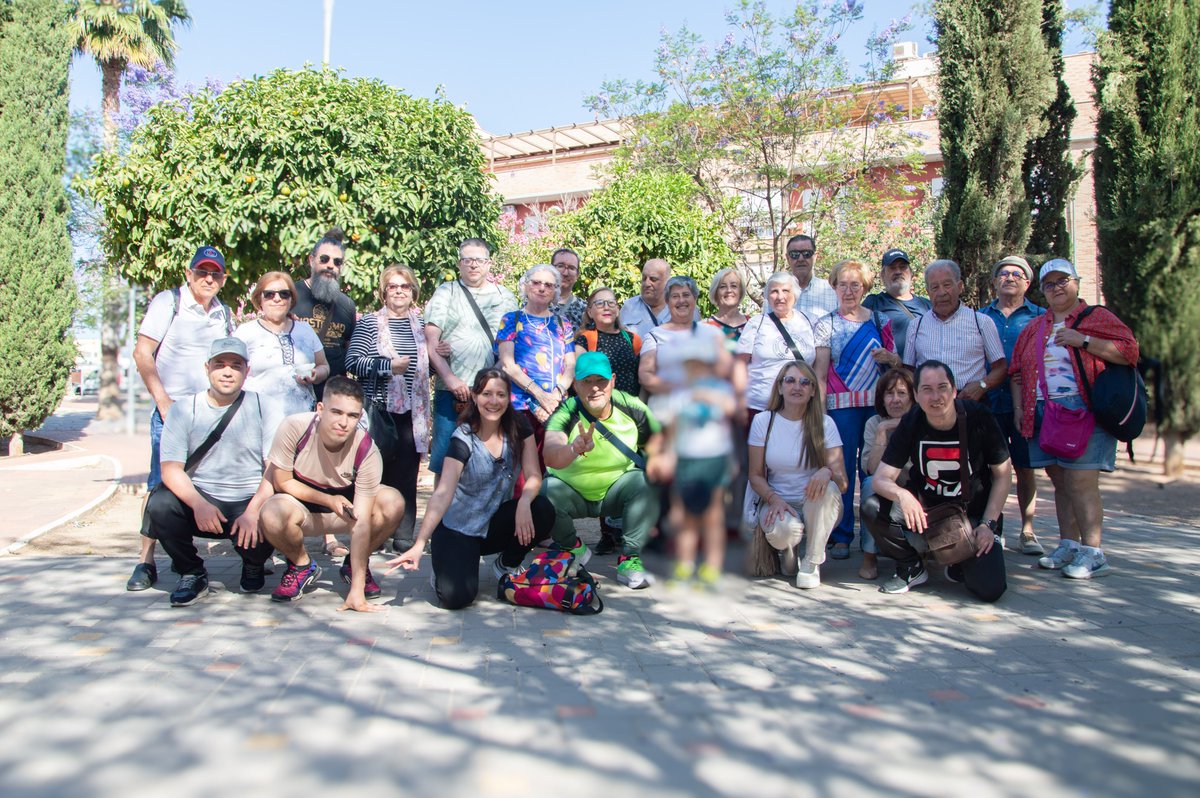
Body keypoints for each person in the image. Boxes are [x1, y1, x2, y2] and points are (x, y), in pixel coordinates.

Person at [1009, 259, 1139, 580]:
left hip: (1082, 410)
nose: (1056, 288)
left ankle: (1094, 552)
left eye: (1062, 280)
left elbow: (1129, 351)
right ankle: (1069, 544)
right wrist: (1018, 409)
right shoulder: (1035, 327)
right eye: (1049, 284)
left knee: (1081, 481)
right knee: (1061, 482)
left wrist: (1083, 341)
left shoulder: (1095, 317)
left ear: (1076, 282)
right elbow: (1016, 373)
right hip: (1043, 412)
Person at [385, 368, 556, 610]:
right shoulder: (463, 438)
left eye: (501, 395)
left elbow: (534, 475)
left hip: (492, 524)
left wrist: (525, 503)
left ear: (509, 398)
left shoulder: (518, 426)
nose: (494, 401)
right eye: (487, 394)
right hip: (458, 528)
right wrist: (420, 543)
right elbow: (442, 493)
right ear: (475, 397)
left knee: (543, 509)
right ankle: (444, 567)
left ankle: (506, 564)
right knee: (457, 598)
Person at [127, 245, 236, 592]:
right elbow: (143, 353)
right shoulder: (167, 302)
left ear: (223, 278)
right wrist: (162, 401)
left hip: (210, 414)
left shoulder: (224, 313)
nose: (208, 278)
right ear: (189, 274)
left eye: (215, 273)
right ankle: (145, 562)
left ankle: (183, 554)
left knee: (202, 485)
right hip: (172, 412)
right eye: (202, 272)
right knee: (160, 482)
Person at [148, 338, 281, 606]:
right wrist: (199, 504)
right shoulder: (184, 409)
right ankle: (192, 572)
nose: (228, 371)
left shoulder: (265, 406)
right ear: (207, 368)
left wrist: (253, 511)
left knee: (278, 509)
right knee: (159, 503)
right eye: (220, 364)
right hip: (203, 497)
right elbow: (171, 469)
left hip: (248, 498)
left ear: (247, 370)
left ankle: (253, 562)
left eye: (236, 365)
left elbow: (274, 469)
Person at [863, 360, 1010, 602]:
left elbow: (1003, 473)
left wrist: (988, 523)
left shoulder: (978, 417)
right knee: (873, 507)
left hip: (972, 514)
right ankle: (912, 566)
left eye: (942, 387)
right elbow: (880, 478)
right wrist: (903, 495)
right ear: (917, 395)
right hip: (928, 513)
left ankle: (959, 562)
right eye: (927, 389)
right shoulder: (911, 422)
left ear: (954, 390)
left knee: (989, 590)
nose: (936, 396)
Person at [258, 376, 406, 612]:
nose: (344, 422)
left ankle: (356, 567)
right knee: (271, 512)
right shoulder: (294, 427)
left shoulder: (367, 449)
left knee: (393, 501)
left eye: (352, 416)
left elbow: (361, 524)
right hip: (302, 507)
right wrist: (328, 499)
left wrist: (356, 593)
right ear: (320, 408)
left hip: (347, 511)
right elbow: (281, 481)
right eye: (336, 412)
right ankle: (300, 565)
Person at [541, 352, 664, 590]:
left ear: (613, 381)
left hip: (617, 491)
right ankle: (572, 548)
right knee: (545, 491)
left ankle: (631, 558)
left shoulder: (631, 406)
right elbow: (550, 455)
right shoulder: (565, 412)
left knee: (645, 481)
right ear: (575, 385)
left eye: (601, 381)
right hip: (572, 493)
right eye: (587, 381)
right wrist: (574, 448)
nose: (595, 388)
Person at [813, 260, 900, 560]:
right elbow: (821, 373)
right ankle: (841, 534)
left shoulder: (880, 321)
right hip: (840, 409)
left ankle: (873, 537)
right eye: (843, 284)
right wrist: (822, 413)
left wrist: (890, 357)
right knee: (842, 470)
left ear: (864, 288)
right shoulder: (826, 324)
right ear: (834, 286)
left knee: (875, 467)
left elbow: (896, 367)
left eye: (855, 285)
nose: (849, 291)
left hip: (875, 409)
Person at [345, 264, 431, 552]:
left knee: (407, 474)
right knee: (374, 473)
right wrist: (386, 366)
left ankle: (403, 534)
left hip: (412, 413)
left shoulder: (421, 326)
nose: (398, 291)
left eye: (404, 286)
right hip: (378, 411)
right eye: (393, 286)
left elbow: (420, 370)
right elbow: (352, 362)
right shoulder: (370, 323)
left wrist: (437, 355)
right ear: (383, 292)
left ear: (413, 292)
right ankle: (372, 529)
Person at [746, 361, 847, 589]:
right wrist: (774, 499)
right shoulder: (764, 421)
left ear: (813, 391)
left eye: (805, 382)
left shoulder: (825, 424)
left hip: (816, 504)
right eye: (790, 380)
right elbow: (755, 475)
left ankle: (811, 562)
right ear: (780, 387)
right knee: (786, 531)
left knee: (828, 487)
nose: (797, 387)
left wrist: (827, 470)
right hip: (778, 502)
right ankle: (790, 552)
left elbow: (842, 483)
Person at [424, 238, 518, 478]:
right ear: (459, 263)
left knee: (490, 461)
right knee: (447, 464)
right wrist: (451, 379)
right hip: (451, 391)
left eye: (479, 260)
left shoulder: (505, 297)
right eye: (467, 260)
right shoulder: (447, 292)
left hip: (492, 392)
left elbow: (511, 345)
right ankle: (443, 516)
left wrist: (490, 381)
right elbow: (432, 342)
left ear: (489, 264)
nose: (473, 265)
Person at [649, 339, 737, 588]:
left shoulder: (721, 389)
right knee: (685, 515)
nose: (694, 370)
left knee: (712, 514)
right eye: (690, 366)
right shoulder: (680, 394)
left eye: (698, 365)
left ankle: (711, 567)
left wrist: (706, 395)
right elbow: (674, 428)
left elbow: (729, 411)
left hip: (715, 457)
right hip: (687, 459)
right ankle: (684, 565)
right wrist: (669, 456)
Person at [981, 255, 1047, 556]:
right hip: (989, 403)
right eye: (1003, 273)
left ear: (1028, 282)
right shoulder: (980, 317)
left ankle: (1028, 531)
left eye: (1017, 274)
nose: (1009, 278)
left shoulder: (1041, 317)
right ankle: (993, 527)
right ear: (995, 282)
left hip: (1027, 405)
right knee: (988, 468)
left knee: (1025, 467)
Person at [496, 264, 576, 457]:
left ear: (555, 291)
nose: (542, 288)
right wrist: (540, 396)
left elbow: (571, 365)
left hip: (555, 407)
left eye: (549, 285)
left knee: (551, 465)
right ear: (525, 286)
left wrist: (555, 396)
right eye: (537, 283)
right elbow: (508, 365)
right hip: (520, 407)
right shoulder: (511, 320)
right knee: (520, 472)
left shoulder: (562, 324)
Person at [234, 271, 329, 431]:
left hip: (302, 423)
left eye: (284, 294)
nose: (277, 299)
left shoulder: (305, 329)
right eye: (269, 294)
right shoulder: (245, 332)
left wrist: (315, 375)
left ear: (291, 299)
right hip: (257, 423)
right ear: (259, 299)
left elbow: (324, 366)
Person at [902, 259, 1007, 399]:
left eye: (947, 285)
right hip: (930, 403)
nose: (941, 293)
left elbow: (1000, 368)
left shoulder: (981, 322)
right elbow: (908, 370)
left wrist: (982, 385)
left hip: (971, 402)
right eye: (934, 287)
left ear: (960, 286)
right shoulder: (916, 325)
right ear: (928, 291)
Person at [735, 272, 819, 423]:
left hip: (800, 409)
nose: (780, 297)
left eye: (786, 291)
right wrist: (739, 403)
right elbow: (740, 365)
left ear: (795, 294)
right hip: (759, 409)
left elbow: (819, 367)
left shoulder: (810, 322)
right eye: (774, 291)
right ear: (768, 297)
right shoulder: (756, 323)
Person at [859, 368, 917, 580]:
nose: (895, 400)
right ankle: (869, 556)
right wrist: (884, 430)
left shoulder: (922, 420)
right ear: (881, 399)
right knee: (869, 483)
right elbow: (872, 470)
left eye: (902, 394)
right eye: (889, 394)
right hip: (888, 493)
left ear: (913, 397)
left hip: (916, 494)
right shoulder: (874, 423)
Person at [292, 227, 356, 401]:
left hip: (333, 397)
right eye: (324, 259)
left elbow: (349, 350)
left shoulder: (347, 305)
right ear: (312, 260)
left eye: (337, 262)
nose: (330, 265)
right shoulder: (289, 296)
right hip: (295, 392)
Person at [639, 275, 731, 396]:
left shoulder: (712, 333)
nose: (681, 300)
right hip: (667, 408)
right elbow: (645, 375)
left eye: (686, 295)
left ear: (695, 298)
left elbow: (726, 369)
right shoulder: (654, 336)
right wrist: (681, 391)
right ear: (667, 301)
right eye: (675, 296)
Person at [862, 248, 932, 357]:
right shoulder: (873, 303)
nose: (898, 272)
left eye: (903, 267)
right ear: (883, 276)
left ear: (911, 273)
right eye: (892, 268)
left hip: (923, 371)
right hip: (889, 372)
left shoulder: (928, 305)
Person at [574, 287, 642, 397]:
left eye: (611, 303)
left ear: (618, 310)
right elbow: (578, 378)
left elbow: (642, 379)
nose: (606, 307)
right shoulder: (585, 340)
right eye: (600, 303)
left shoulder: (633, 339)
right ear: (590, 312)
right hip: (598, 407)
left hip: (630, 408)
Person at [619, 258, 698, 339]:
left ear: (667, 282)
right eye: (644, 278)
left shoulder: (685, 307)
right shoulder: (629, 307)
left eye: (653, 279)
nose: (647, 283)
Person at [786, 234, 838, 317]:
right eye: (794, 254)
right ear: (788, 258)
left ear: (815, 257)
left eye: (806, 253)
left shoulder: (833, 291)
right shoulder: (776, 292)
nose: (800, 259)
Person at [706, 268, 749, 344]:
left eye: (734, 286)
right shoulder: (704, 327)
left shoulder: (753, 325)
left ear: (741, 291)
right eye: (722, 286)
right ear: (716, 293)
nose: (729, 290)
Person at [549, 247, 587, 329]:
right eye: (560, 266)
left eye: (571, 268)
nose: (565, 273)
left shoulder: (584, 309)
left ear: (577, 274)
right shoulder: (535, 303)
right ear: (550, 269)